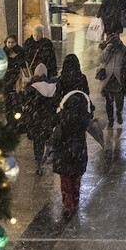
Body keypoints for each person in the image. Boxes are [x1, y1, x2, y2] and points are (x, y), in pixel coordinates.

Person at [52, 82, 93, 221]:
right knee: (76, 179)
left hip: (64, 154)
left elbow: (55, 138)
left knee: (65, 179)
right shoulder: (84, 119)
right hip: (79, 153)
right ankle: (75, 202)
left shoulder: (61, 118)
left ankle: (67, 203)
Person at [22, 63, 57, 173]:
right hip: (48, 119)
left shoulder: (31, 87)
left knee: (38, 142)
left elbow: (27, 104)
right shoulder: (53, 87)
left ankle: (38, 162)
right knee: (47, 138)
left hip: (36, 120)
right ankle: (46, 156)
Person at [96, 30, 126, 128]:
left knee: (119, 100)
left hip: (118, 78)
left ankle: (119, 113)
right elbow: (101, 59)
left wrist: (121, 45)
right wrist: (108, 48)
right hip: (108, 79)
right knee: (109, 101)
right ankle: (110, 120)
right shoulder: (103, 47)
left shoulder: (122, 49)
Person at [1, 34, 24, 126]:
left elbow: (24, 63)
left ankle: (18, 120)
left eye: (12, 42)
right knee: (7, 102)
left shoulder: (20, 52)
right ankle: (9, 121)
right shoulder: (3, 52)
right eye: (9, 42)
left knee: (17, 100)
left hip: (17, 80)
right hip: (6, 80)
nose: (10, 44)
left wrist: (17, 57)